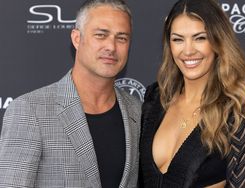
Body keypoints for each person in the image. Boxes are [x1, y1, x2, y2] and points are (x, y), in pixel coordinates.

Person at [0, 0, 141, 187]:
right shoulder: (30, 110)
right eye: (101, 35)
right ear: (76, 38)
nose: (111, 47)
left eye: (121, 38)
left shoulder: (137, 111)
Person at [139, 0, 245, 187]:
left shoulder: (235, 112)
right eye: (178, 39)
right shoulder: (155, 98)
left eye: (200, 38)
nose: (188, 50)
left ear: (218, 41)